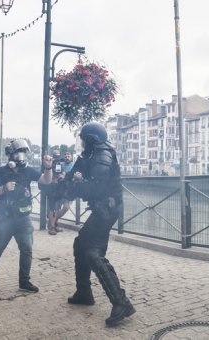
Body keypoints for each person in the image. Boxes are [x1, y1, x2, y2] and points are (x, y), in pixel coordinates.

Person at [54, 122, 135, 326]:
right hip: (101, 208)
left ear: (91, 139)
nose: (81, 143)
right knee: (80, 244)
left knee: (92, 252)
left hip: (107, 208)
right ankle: (84, 293)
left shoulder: (103, 154)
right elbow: (73, 179)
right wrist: (65, 185)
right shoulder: (89, 156)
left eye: (83, 139)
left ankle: (121, 302)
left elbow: (95, 189)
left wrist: (74, 185)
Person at [0, 139, 52, 292]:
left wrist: (48, 168)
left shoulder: (28, 170)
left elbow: (46, 181)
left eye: (23, 152)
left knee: (27, 249)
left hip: (23, 218)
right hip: (5, 218)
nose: (21, 156)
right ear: (10, 155)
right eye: (18, 152)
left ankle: (24, 281)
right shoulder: (1, 172)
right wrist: (4, 188)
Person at [47, 151, 76, 234]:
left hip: (66, 189)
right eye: (65, 156)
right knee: (55, 208)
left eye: (68, 156)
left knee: (63, 207)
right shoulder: (59, 164)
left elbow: (63, 174)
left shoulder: (72, 165)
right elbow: (56, 174)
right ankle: (52, 225)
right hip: (56, 188)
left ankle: (53, 223)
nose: (67, 157)